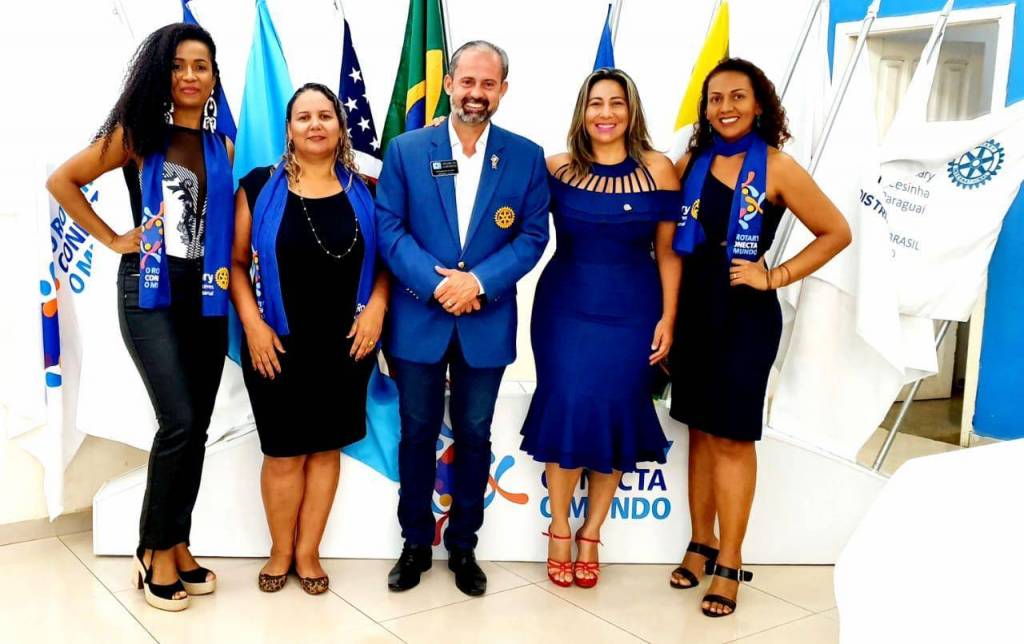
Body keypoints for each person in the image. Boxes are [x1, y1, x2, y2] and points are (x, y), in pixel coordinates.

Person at [46, 23, 235, 612]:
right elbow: (62, 180)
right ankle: (152, 550)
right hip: (150, 291)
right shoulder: (138, 135)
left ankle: (178, 541)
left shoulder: (222, 148)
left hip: (207, 296)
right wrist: (113, 239)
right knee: (177, 420)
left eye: (200, 66)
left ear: (213, 77)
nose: (189, 76)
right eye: (178, 66)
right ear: (161, 73)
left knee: (196, 428)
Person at [667, 58, 851, 617]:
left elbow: (836, 231)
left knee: (731, 438)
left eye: (737, 96)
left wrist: (776, 275)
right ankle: (700, 542)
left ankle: (730, 560)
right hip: (694, 312)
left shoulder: (777, 166)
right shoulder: (689, 163)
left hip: (743, 317)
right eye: (715, 98)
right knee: (700, 432)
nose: (725, 107)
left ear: (759, 104)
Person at [375, 40, 550, 596]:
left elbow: (532, 236)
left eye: (488, 84)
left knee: (475, 434)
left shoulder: (526, 156)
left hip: (485, 319)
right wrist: (439, 285)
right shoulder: (406, 150)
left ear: (503, 90)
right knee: (416, 433)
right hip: (419, 318)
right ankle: (414, 542)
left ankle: (464, 545)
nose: (476, 93)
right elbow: (389, 229)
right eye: (467, 82)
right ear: (449, 84)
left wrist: (476, 283)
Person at [519, 68, 682, 589]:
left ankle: (592, 532)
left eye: (616, 103)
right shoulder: (555, 167)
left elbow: (669, 252)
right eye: (595, 103)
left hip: (634, 311)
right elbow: (501, 193)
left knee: (615, 413)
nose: (605, 113)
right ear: (581, 111)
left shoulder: (659, 168)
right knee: (567, 405)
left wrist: (669, 317)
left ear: (631, 111)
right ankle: (559, 527)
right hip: (564, 309)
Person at [229, 83, 388, 596]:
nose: (315, 124)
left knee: (324, 451)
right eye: (304, 117)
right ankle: (280, 550)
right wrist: (253, 325)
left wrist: (377, 308)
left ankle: (307, 552)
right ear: (289, 129)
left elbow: (386, 262)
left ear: (340, 126)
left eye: (325, 115)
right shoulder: (258, 186)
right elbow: (234, 264)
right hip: (275, 345)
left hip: (347, 344)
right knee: (283, 453)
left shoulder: (368, 188)